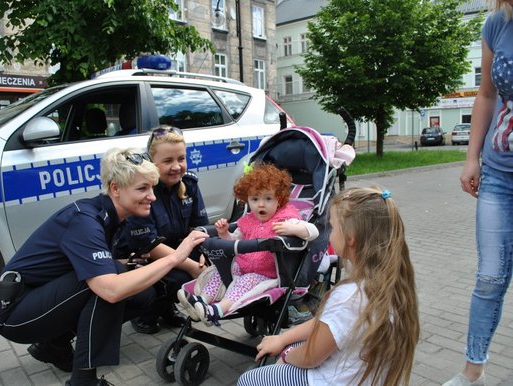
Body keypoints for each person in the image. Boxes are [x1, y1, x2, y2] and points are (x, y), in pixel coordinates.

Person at [0, 147, 208, 386]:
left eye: (151, 188)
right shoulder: (84, 220)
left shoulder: (113, 216)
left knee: (142, 294)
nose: (152, 197)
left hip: (42, 298)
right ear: (115, 188)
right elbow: (110, 289)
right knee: (107, 286)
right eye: (142, 189)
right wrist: (176, 258)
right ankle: (84, 381)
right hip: (14, 314)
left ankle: (53, 345)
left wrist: (127, 265)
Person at [236, 187, 420, 386]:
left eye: (332, 227)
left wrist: (286, 355)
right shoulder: (387, 284)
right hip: (363, 376)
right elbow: (324, 322)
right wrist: (283, 339)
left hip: (329, 381)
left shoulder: (349, 297)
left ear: (351, 238)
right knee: (292, 343)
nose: (329, 234)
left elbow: (310, 357)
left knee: (249, 379)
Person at [444, 2, 513, 386]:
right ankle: (473, 371)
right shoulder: (497, 24)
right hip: (500, 175)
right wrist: (472, 157)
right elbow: (486, 95)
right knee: (489, 278)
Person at [178, 163, 319, 326]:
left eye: (268, 198)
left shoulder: (285, 219)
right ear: (247, 201)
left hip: (267, 274)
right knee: (220, 272)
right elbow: (233, 242)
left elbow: (313, 231)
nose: (261, 204)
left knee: (244, 281)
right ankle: (201, 300)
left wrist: (294, 228)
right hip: (242, 267)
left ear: (279, 199)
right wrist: (224, 233)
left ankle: (217, 310)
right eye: (255, 199)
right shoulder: (247, 221)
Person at [114, 126, 209, 333]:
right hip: (142, 254)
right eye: (168, 161)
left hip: (175, 251)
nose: (177, 167)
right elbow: (149, 244)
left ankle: (166, 309)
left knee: (208, 263)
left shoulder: (189, 184)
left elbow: (199, 227)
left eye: (181, 159)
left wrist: (203, 255)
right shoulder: (143, 190)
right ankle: (146, 313)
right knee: (181, 277)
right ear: (151, 161)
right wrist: (192, 266)